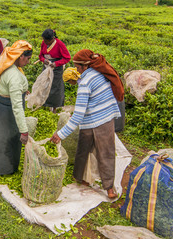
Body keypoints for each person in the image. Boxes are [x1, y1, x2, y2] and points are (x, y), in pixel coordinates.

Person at [50, 49, 124, 199]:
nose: (77, 70)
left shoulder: (85, 83)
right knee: (83, 147)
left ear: (84, 66)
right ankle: (80, 177)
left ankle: (109, 187)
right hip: (93, 119)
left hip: (103, 119)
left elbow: (77, 116)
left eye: (77, 67)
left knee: (106, 152)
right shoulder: (99, 74)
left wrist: (60, 134)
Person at [0, 40, 32, 175]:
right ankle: (5, 169)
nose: (28, 62)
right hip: (8, 111)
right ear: (20, 56)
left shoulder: (6, 65)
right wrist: (24, 131)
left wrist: (23, 90)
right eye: (27, 58)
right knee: (8, 140)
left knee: (0, 136)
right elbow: (17, 107)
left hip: (0, 105)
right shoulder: (14, 76)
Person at [39, 29, 71, 113]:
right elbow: (40, 56)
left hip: (56, 69)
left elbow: (67, 57)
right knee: (45, 85)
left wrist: (56, 63)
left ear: (52, 39)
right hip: (46, 67)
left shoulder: (60, 44)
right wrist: (43, 60)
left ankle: (54, 108)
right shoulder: (44, 43)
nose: (45, 42)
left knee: (55, 88)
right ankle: (45, 105)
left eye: (46, 41)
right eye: (44, 40)